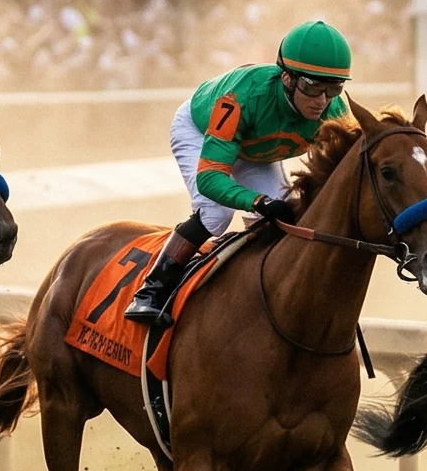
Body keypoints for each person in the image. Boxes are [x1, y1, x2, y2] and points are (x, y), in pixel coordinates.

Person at [123, 20, 356, 327]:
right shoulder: (241, 98)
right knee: (215, 214)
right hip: (200, 130)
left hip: (256, 150)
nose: (322, 101)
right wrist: (256, 201)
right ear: (287, 78)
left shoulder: (334, 110)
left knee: (282, 218)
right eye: (312, 87)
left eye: (333, 88)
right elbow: (209, 179)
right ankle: (151, 290)